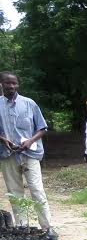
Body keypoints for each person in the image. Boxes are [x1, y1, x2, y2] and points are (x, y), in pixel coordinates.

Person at [0, 72, 53, 231]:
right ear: (1, 84)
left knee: (37, 190)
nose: (11, 86)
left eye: (14, 83)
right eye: (7, 83)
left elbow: (42, 127)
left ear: (18, 84)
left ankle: (47, 227)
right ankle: (23, 227)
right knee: (15, 193)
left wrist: (30, 141)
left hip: (29, 154)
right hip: (7, 154)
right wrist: (3, 139)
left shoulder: (29, 103)